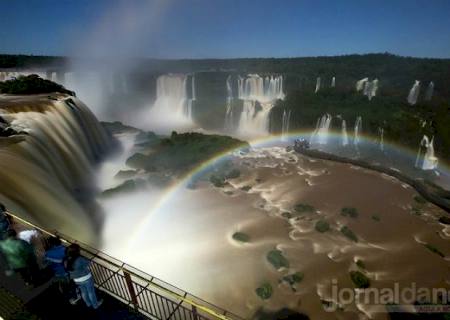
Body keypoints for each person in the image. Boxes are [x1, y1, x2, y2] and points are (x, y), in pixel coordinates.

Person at [44, 237, 80, 304]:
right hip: (68, 272)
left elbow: (45, 263)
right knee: (71, 285)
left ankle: (71, 298)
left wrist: (49, 259)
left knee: (64, 287)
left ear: (52, 244)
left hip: (58, 272)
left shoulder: (48, 253)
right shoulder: (65, 249)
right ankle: (75, 296)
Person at [66, 244, 102, 309]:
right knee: (91, 292)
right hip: (86, 278)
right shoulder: (79, 259)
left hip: (76, 280)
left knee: (83, 292)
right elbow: (88, 263)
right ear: (77, 251)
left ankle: (88, 304)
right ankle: (95, 305)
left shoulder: (66, 260)